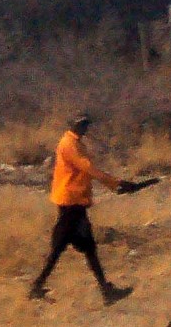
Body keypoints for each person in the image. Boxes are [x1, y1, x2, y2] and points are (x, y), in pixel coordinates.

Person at [27, 114, 138, 304]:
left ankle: (105, 291)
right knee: (64, 248)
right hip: (71, 203)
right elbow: (88, 168)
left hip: (74, 202)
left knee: (86, 247)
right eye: (84, 124)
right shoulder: (69, 144)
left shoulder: (75, 142)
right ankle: (37, 287)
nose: (87, 128)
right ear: (77, 125)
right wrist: (116, 184)